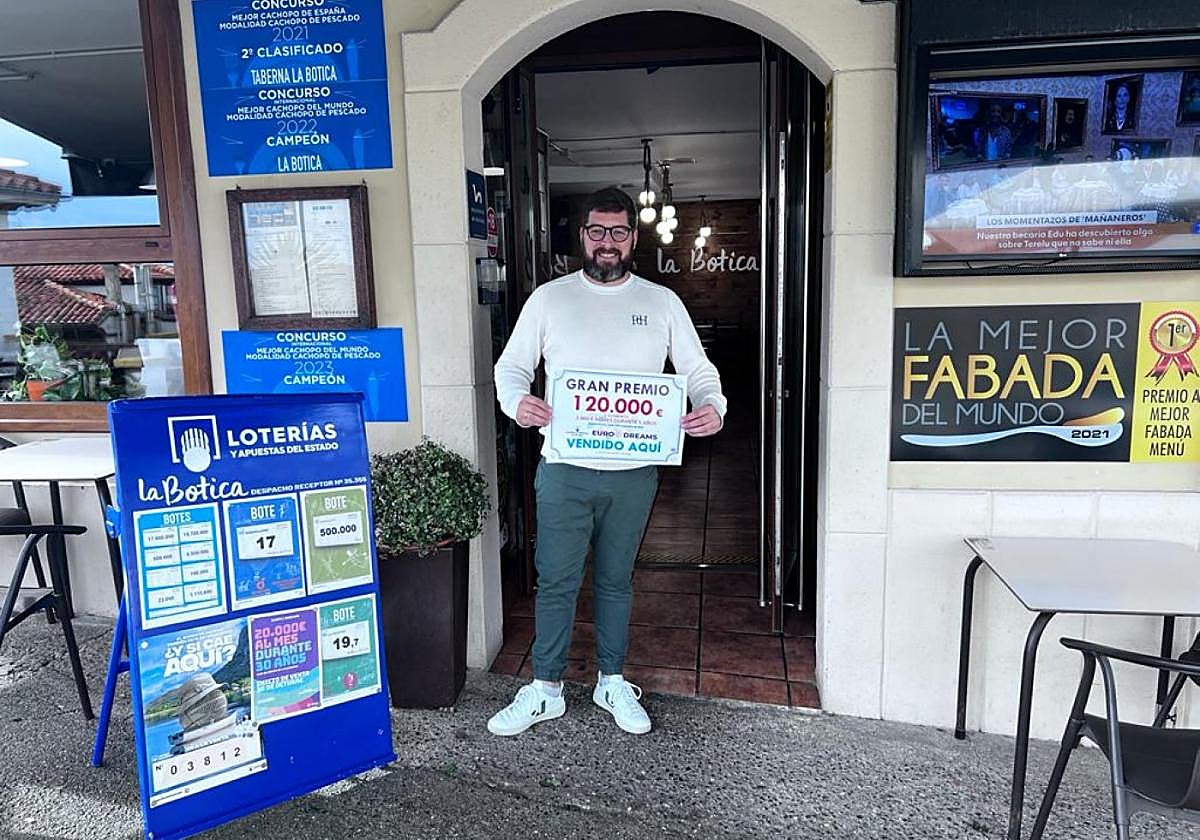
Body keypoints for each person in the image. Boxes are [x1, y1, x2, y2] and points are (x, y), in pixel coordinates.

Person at [487, 187, 726, 737]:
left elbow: (697, 368)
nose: (607, 243)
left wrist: (712, 404)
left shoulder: (661, 302)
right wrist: (516, 401)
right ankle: (545, 688)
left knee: (617, 581)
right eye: (597, 231)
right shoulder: (549, 299)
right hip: (565, 467)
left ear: (633, 238)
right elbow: (511, 368)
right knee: (557, 581)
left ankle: (611, 680)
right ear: (583, 236)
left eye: (618, 232)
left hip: (634, 472)